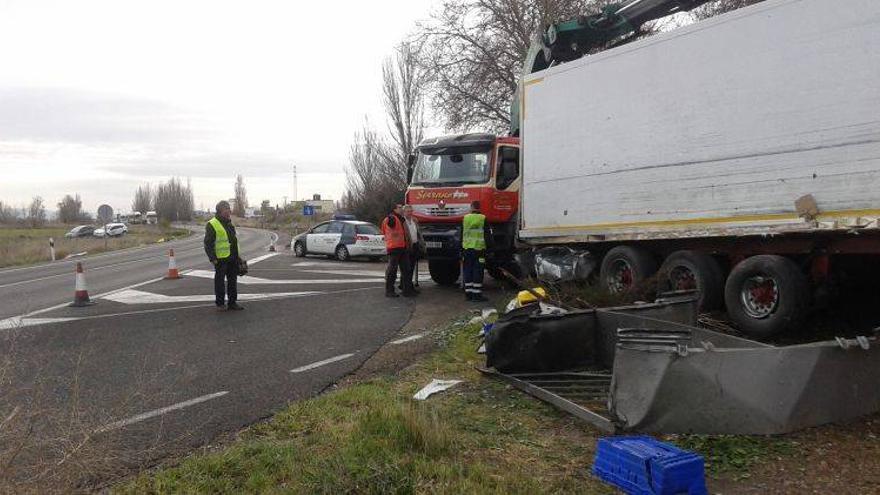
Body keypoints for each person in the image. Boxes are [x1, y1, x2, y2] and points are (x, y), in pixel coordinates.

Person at [205, 200, 244, 311]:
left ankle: (232, 303)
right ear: (220, 211)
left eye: (229, 209)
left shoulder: (229, 222)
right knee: (220, 282)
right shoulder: (212, 224)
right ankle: (220, 303)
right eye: (226, 209)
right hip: (220, 259)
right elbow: (208, 243)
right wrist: (212, 258)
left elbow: (233, 240)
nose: (229, 211)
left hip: (232, 257)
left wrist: (238, 256)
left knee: (232, 281)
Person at [381, 204, 416, 298]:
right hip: (394, 248)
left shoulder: (401, 219)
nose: (401, 209)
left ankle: (406, 290)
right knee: (393, 270)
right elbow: (386, 229)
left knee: (406, 270)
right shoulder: (391, 218)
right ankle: (389, 291)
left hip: (402, 247)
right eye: (399, 207)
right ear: (394, 209)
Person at [461, 201, 491, 302]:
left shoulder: (465, 218)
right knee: (478, 271)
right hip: (479, 250)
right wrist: (491, 249)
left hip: (467, 249)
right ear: (479, 208)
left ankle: (468, 294)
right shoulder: (483, 218)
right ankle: (477, 295)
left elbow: (461, 234)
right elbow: (487, 235)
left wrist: (460, 250)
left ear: (471, 207)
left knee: (467, 271)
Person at [402, 205, 425, 291]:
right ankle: (406, 288)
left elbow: (418, 233)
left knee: (412, 267)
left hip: (415, 245)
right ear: (404, 212)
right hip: (407, 246)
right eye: (408, 211)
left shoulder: (414, 220)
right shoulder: (402, 222)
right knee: (406, 268)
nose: (410, 213)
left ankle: (409, 286)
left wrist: (422, 244)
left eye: (411, 211)